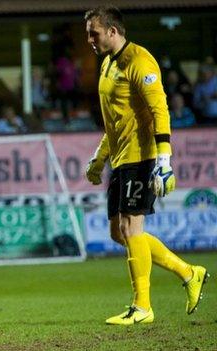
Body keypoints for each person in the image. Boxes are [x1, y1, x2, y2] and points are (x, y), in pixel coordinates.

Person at [84, 6, 208, 325]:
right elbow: (114, 123)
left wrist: (164, 160)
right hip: (121, 158)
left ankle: (142, 306)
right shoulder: (108, 65)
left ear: (113, 31)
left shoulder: (139, 60)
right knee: (118, 233)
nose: (89, 40)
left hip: (142, 156)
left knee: (131, 228)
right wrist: (99, 161)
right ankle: (188, 272)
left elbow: (160, 109)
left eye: (93, 33)